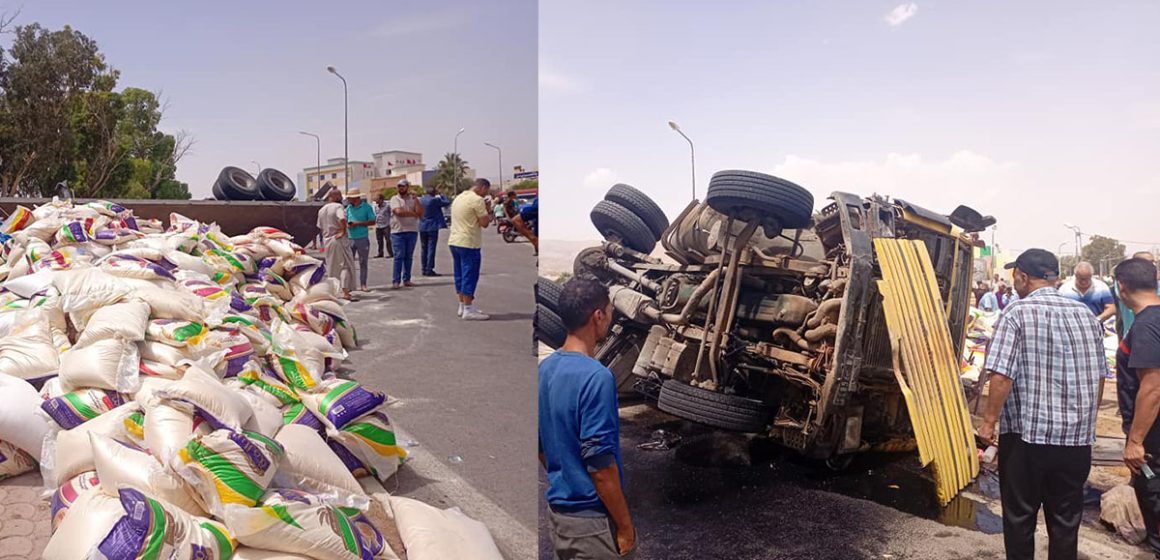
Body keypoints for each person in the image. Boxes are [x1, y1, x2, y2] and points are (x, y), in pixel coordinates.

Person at [979, 249, 1105, 560]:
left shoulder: (1016, 313)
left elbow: (1002, 376)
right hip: (1075, 442)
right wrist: (1087, 420)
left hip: (1027, 441)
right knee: (1065, 523)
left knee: (1020, 519)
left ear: (1021, 276)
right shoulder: (1086, 316)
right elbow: (1100, 376)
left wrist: (987, 423)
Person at [539, 278, 636, 559]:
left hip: (559, 516)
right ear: (598, 316)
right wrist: (625, 527)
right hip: (590, 523)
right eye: (609, 312)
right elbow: (601, 468)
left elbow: (541, 446)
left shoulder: (545, 369)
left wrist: (566, 476)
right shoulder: (597, 377)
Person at [1112, 257, 1160, 558]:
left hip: (1154, 443)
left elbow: (1153, 387)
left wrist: (1135, 441)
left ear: (1121, 287)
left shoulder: (1145, 326)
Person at [448, 178, 493, 320]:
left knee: (459, 274)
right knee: (470, 275)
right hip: (469, 242)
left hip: (455, 240)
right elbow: (484, 223)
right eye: (486, 191)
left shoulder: (459, 198)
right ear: (483, 188)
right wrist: (487, 209)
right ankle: (468, 309)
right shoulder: (477, 200)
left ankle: (462, 305)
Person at [315, 188, 356, 301]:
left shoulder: (322, 210)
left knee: (332, 267)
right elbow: (342, 218)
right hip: (338, 239)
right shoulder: (338, 207)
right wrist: (343, 230)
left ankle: (333, 292)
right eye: (340, 197)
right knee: (345, 266)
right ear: (336, 197)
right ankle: (345, 292)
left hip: (327, 240)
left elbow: (320, 226)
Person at [1114, 251, 1160, 339]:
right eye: (1148, 262)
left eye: (1153, 262)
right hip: (1132, 335)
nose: (1153, 265)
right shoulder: (1123, 283)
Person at [389, 180, 423, 289]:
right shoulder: (395, 199)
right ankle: (396, 281)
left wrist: (416, 200)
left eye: (403, 186)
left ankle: (407, 279)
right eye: (399, 186)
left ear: (407, 187)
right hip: (398, 231)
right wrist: (413, 213)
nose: (401, 188)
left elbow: (421, 213)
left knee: (409, 256)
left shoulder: (413, 199)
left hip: (412, 230)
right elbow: (399, 212)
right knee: (399, 256)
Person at [344, 189, 375, 292]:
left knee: (363, 262)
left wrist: (358, 223)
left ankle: (363, 284)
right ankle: (349, 285)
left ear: (356, 198)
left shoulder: (367, 208)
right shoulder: (348, 208)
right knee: (349, 264)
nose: (348, 200)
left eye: (349, 198)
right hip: (350, 238)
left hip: (362, 238)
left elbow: (372, 221)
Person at [418, 185, 451, 276]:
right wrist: (442, 194)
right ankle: (429, 268)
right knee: (431, 248)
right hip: (432, 226)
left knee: (424, 248)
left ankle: (424, 268)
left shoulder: (421, 200)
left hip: (422, 226)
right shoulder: (435, 200)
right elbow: (447, 202)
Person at [373, 192, 393, 259]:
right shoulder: (376, 207)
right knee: (379, 241)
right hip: (378, 226)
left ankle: (391, 253)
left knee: (388, 240)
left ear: (381, 199)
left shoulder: (387, 206)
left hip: (386, 225)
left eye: (377, 199)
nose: (376, 201)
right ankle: (380, 253)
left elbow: (391, 214)